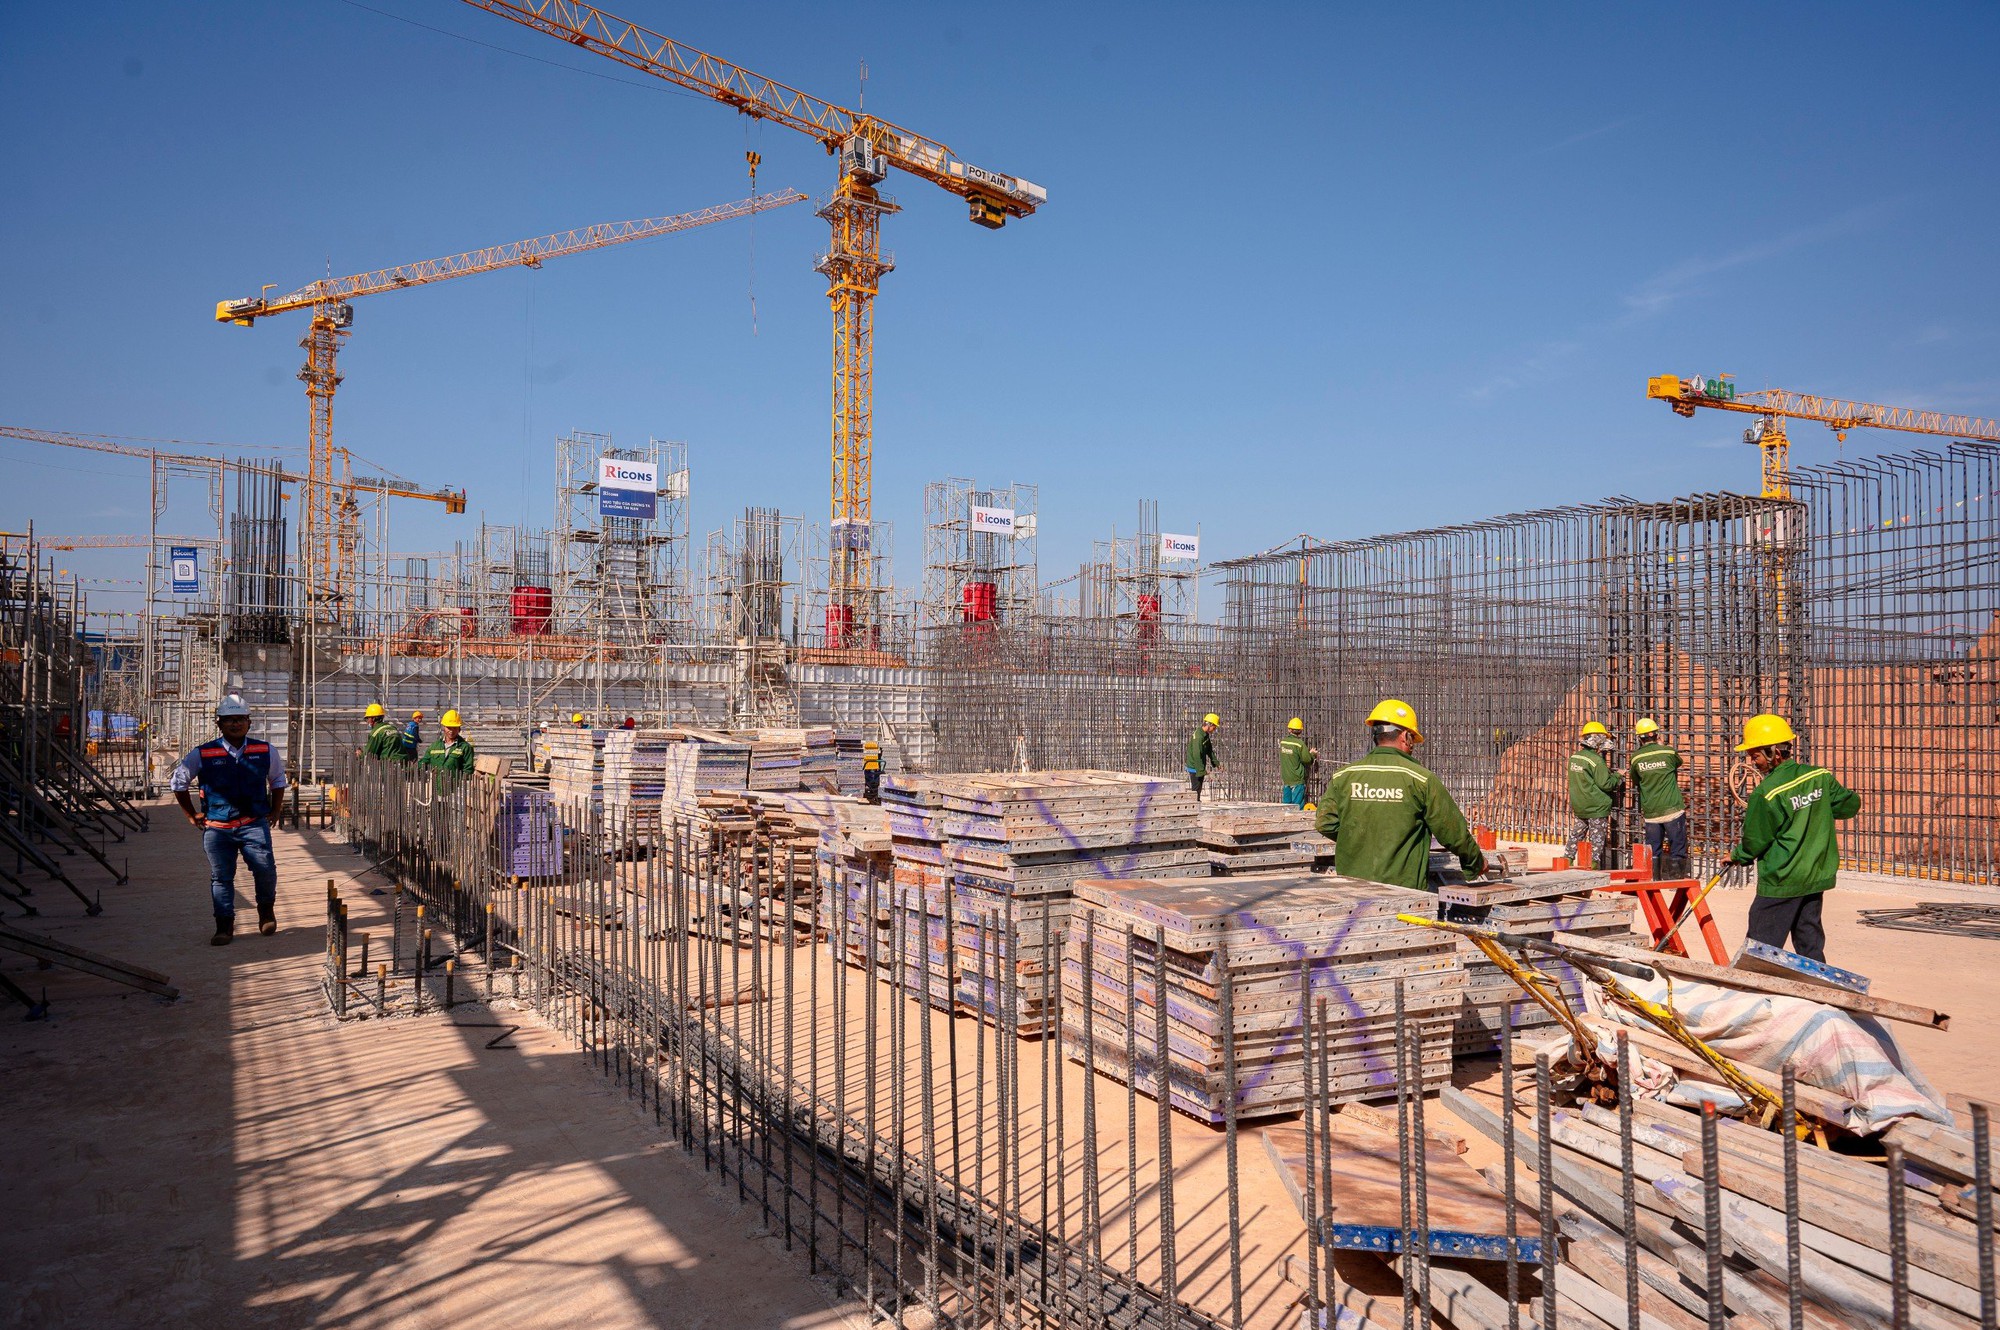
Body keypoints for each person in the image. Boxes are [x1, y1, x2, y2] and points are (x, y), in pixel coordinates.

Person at [1723, 713, 1859, 963]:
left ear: (1773, 751)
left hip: (1782, 878)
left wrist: (1737, 856)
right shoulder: (1819, 776)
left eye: (1755, 755)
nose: (1753, 761)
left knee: (1761, 948)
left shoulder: (1767, 793)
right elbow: (1849, 806)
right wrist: (1815, 808)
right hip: (1814, 876)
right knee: (1809, 940)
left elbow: (1756, 840)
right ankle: (1818, 988)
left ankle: (1754, 992)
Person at [1315, 699, 1487, 892]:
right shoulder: (1421, 779)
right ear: (1405, 736)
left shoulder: (1343, 776)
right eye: (1412, 738)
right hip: (1403, 891)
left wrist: (1359, 839)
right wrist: (1475, 862)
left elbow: (1325, 822)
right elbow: (1453, 832)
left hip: (1351, 888)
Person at [171, 695, 287, 945]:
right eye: (229, 720)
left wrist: (276, 810)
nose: (235, 724)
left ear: (249, 722)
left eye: (240, 719)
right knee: (221, 877)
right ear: (219, 723)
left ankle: (266, 911)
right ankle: (224, 926)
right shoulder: (203, 753)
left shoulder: (265, 751)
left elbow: (277, 781)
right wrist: (190, 814)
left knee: (265, 870)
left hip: (253, 824)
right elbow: (178, 781)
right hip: (218, 828)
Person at [1628, 718, 1688, 879]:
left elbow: (1635, 779)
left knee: (1653, 848)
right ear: (1656, 735)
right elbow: (1678, 762)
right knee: (1678, 846)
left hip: (1651, 812)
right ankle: (1676, 881)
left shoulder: (1635, 758)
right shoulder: (1668, 752)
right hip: (1673, 809)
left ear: (1639, 738)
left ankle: (1654, 879)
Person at [1566, 721, 1623, 867]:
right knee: (1597, 839)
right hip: (1597, 807)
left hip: (1580, 805)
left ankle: (1567, 859)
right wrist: (1617, 776)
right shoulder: (1596, 761)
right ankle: (1594, 866)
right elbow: (1606, 784)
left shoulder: (1575, 758)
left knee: (1576, 834)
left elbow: (1587, 778)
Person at [418, 708, 476, 782]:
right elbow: (424, 762)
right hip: (436, 788)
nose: (451, 731)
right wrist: (409, 769)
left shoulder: (465, 747)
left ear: (459, 729)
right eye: (449, 727)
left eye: (454, 728)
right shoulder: (434, 746)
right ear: (444, 727)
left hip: (455, 790)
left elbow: (468, 771)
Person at [1279, 718, 1317, 808]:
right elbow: (1307, 759)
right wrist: (1312, 754)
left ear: (1289, 729)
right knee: (1297, 805)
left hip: (1286, 778)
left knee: (1286, 806)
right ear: (1300, 731)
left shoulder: (1283, 742)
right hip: (1297, 778)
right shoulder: (1299, 744)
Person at [1184, 713, 1222, 799]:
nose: (1214, 729)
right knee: (1196, 790)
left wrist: (1216, 763)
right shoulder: (1199, 737)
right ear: (1209, 725)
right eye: (1214, 727)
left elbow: (1209, 750)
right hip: (1195, 767)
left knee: (1198, 790)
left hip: (1198, 767)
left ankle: (1196, 805)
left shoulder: (1205, 735)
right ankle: (1194, 808)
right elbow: (1197, 755)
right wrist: (1201, 771)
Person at [862, 739, 882, 803]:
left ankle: (874, 793)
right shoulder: (866, 756)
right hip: (867, 767)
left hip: (873, 768)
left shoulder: (875, 756)